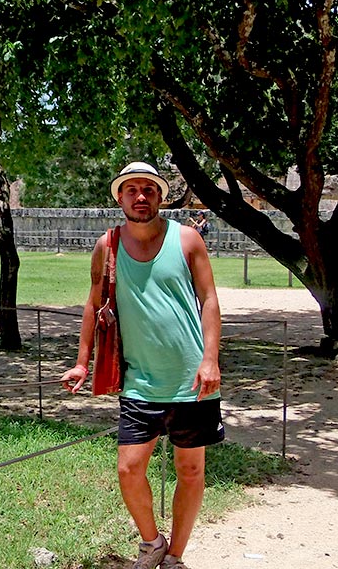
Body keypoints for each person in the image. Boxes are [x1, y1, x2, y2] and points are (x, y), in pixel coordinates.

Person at [60, 161, 222, 569]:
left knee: (190, 470)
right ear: (119, 197)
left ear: (160, 196)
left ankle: (176, 557)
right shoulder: (107, 245)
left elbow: (209, 300)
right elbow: (94, 304)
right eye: (131, 190)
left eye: (148, 189)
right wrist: (82, 363)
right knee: (129, 469)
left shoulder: (187, 240)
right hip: (139, 382)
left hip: (191, 380)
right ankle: (152, 542)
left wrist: (210, 359)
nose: (140, 196)